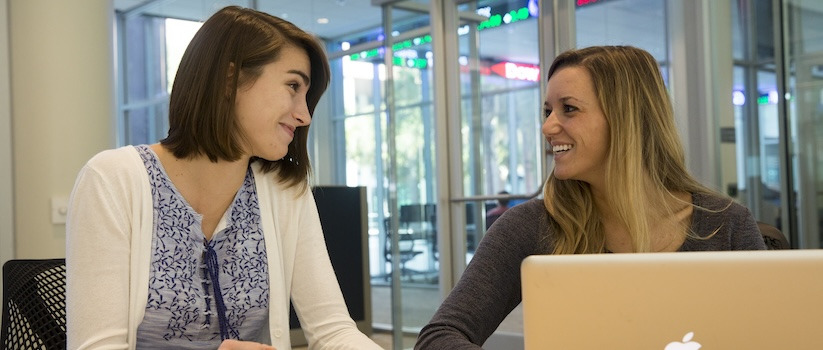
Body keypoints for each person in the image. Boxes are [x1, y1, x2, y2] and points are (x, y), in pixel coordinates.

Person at [65, 6, 382, 350]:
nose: (304, 115)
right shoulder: (113, 180)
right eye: (293, 86)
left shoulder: (284, 190)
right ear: (230, 80)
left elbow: (334, 331)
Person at [414, 45, 766, 349]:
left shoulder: (727, 224)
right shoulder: (531, 226)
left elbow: (771, 336)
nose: (548, 127)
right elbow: (439, 337)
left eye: (569, 108)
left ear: (627, 119)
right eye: (547, 111)